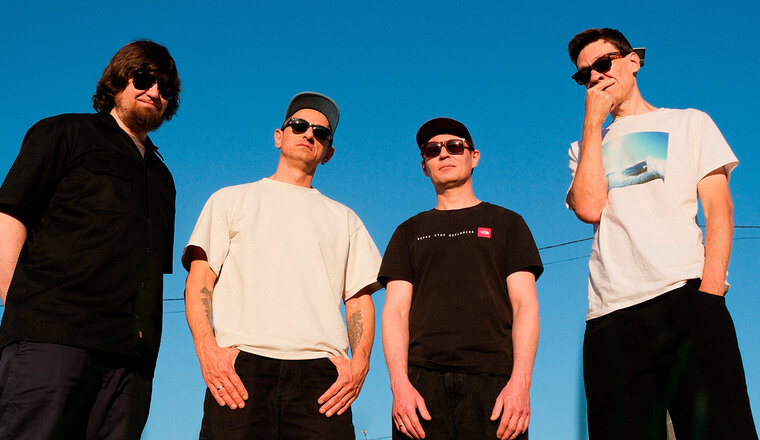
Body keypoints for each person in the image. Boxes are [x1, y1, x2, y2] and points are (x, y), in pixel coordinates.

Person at [566, 28, 758, 440]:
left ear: (633, 61)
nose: (595, 76)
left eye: (603, 63)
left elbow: (719, 211)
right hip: (610, 315)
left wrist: (709, 296)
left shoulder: (689, 122)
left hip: (686, 299)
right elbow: (589, 208)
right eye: (584, 74)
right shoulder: (583, 146)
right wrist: (592, 123)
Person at [0, 40, 181, 439]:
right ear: (118, 80)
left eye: (166, 88)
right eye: (144, 79)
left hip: (131, 362)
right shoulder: (63, 133)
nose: (155, 92)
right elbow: (10, 215)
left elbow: (152, 270)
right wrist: (21, 307)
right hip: (52, 341)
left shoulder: (162, 178)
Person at [183, 92, 382, 439]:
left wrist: (359, 365)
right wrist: (207, 350)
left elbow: (358, 300)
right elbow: (200, 279)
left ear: (328, 152)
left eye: (321, 133)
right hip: (240, 369)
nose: (309, 134)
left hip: (322, 380)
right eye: (299, 125)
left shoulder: (346, 219)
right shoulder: (230, 200)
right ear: (279, 136)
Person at [379, 117, 543, 440]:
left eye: (454, 146)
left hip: (495, 386)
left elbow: (525, 305)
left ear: (474, 156)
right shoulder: (407, 232)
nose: (444, 154)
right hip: (421, 390)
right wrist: (400, 386)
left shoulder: (508, 224)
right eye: (432, 150)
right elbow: (395, 312)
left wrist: (521, 384)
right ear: (424, 166)